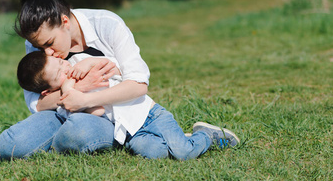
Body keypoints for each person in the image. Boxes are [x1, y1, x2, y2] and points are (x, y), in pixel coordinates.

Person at [0, 0, 239, 173]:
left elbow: (138, 83)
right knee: (19, 136)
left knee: (76, 135)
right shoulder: (37, 43)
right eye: (38, 47)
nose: (45, 54)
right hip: (67, 109)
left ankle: (192, 138)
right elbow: (37, 104)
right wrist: (70, 96)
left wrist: (87, 93)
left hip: (108, 115)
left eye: (48, 44)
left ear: (65, 21)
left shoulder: (107, 24)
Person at [17, 50, 240, 159]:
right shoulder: (67, 101)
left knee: (182, 153)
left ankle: (207, 136)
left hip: (149, 114)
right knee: (150, 152)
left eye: (59, 62)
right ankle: (183, 137)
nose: (65, 68)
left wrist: (88, 63)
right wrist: (70, 90)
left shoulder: (78, 63)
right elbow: (98, 111)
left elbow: (110, 64)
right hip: (131, 133)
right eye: (58, 73)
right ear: (49, 91)